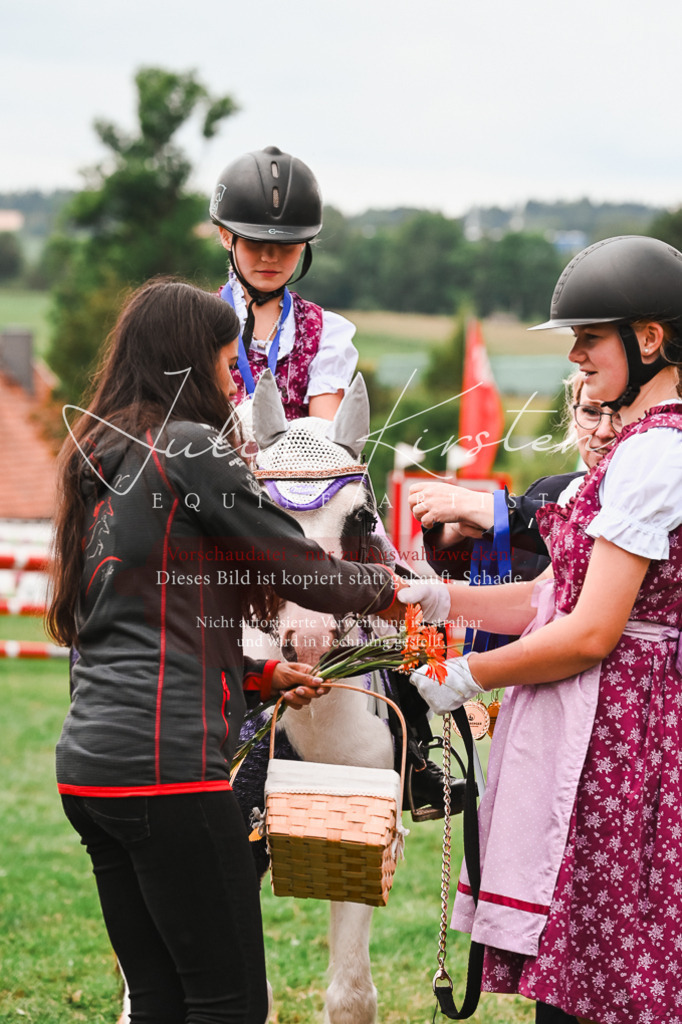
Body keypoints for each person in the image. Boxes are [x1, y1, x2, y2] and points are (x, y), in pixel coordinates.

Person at [47, 279, 400, 1024]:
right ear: (186, 362)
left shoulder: (96, 450)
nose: (229, 378)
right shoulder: (191, 447)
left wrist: (263, 673)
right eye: (220, 360)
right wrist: (392, 586)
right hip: (169, 776)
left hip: (87, 776)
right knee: (229, 1005)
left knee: (157, 997)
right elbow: (295, 567)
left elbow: (130, 624)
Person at [399, 235, 682, 1024]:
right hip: (590, 729)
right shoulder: (633, 450)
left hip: (621, 738)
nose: (581, 357)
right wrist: (444, 601)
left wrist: (471, 676)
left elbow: (592, 634)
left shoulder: (658, 457)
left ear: (648, 339)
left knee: (602, 986)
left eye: (591, 338)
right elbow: (548, 599)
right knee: (576, 983)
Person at [410, 374, 622, 580]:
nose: (603, 431)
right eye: (590, 411)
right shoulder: (549, 490)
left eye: (620, 414)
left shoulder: (650, 501)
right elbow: (485, 569)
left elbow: (592, 543)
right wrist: (455, 531)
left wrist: (494, 509)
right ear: (574, 419)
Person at [209, 145, 358, 423]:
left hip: (299, 466)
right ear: (226, 237)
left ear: (303, 244)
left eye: (285, 245)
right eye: (255, 243)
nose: (270, 256)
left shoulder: (324, 333)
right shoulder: (196, 323)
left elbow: (326, 438)